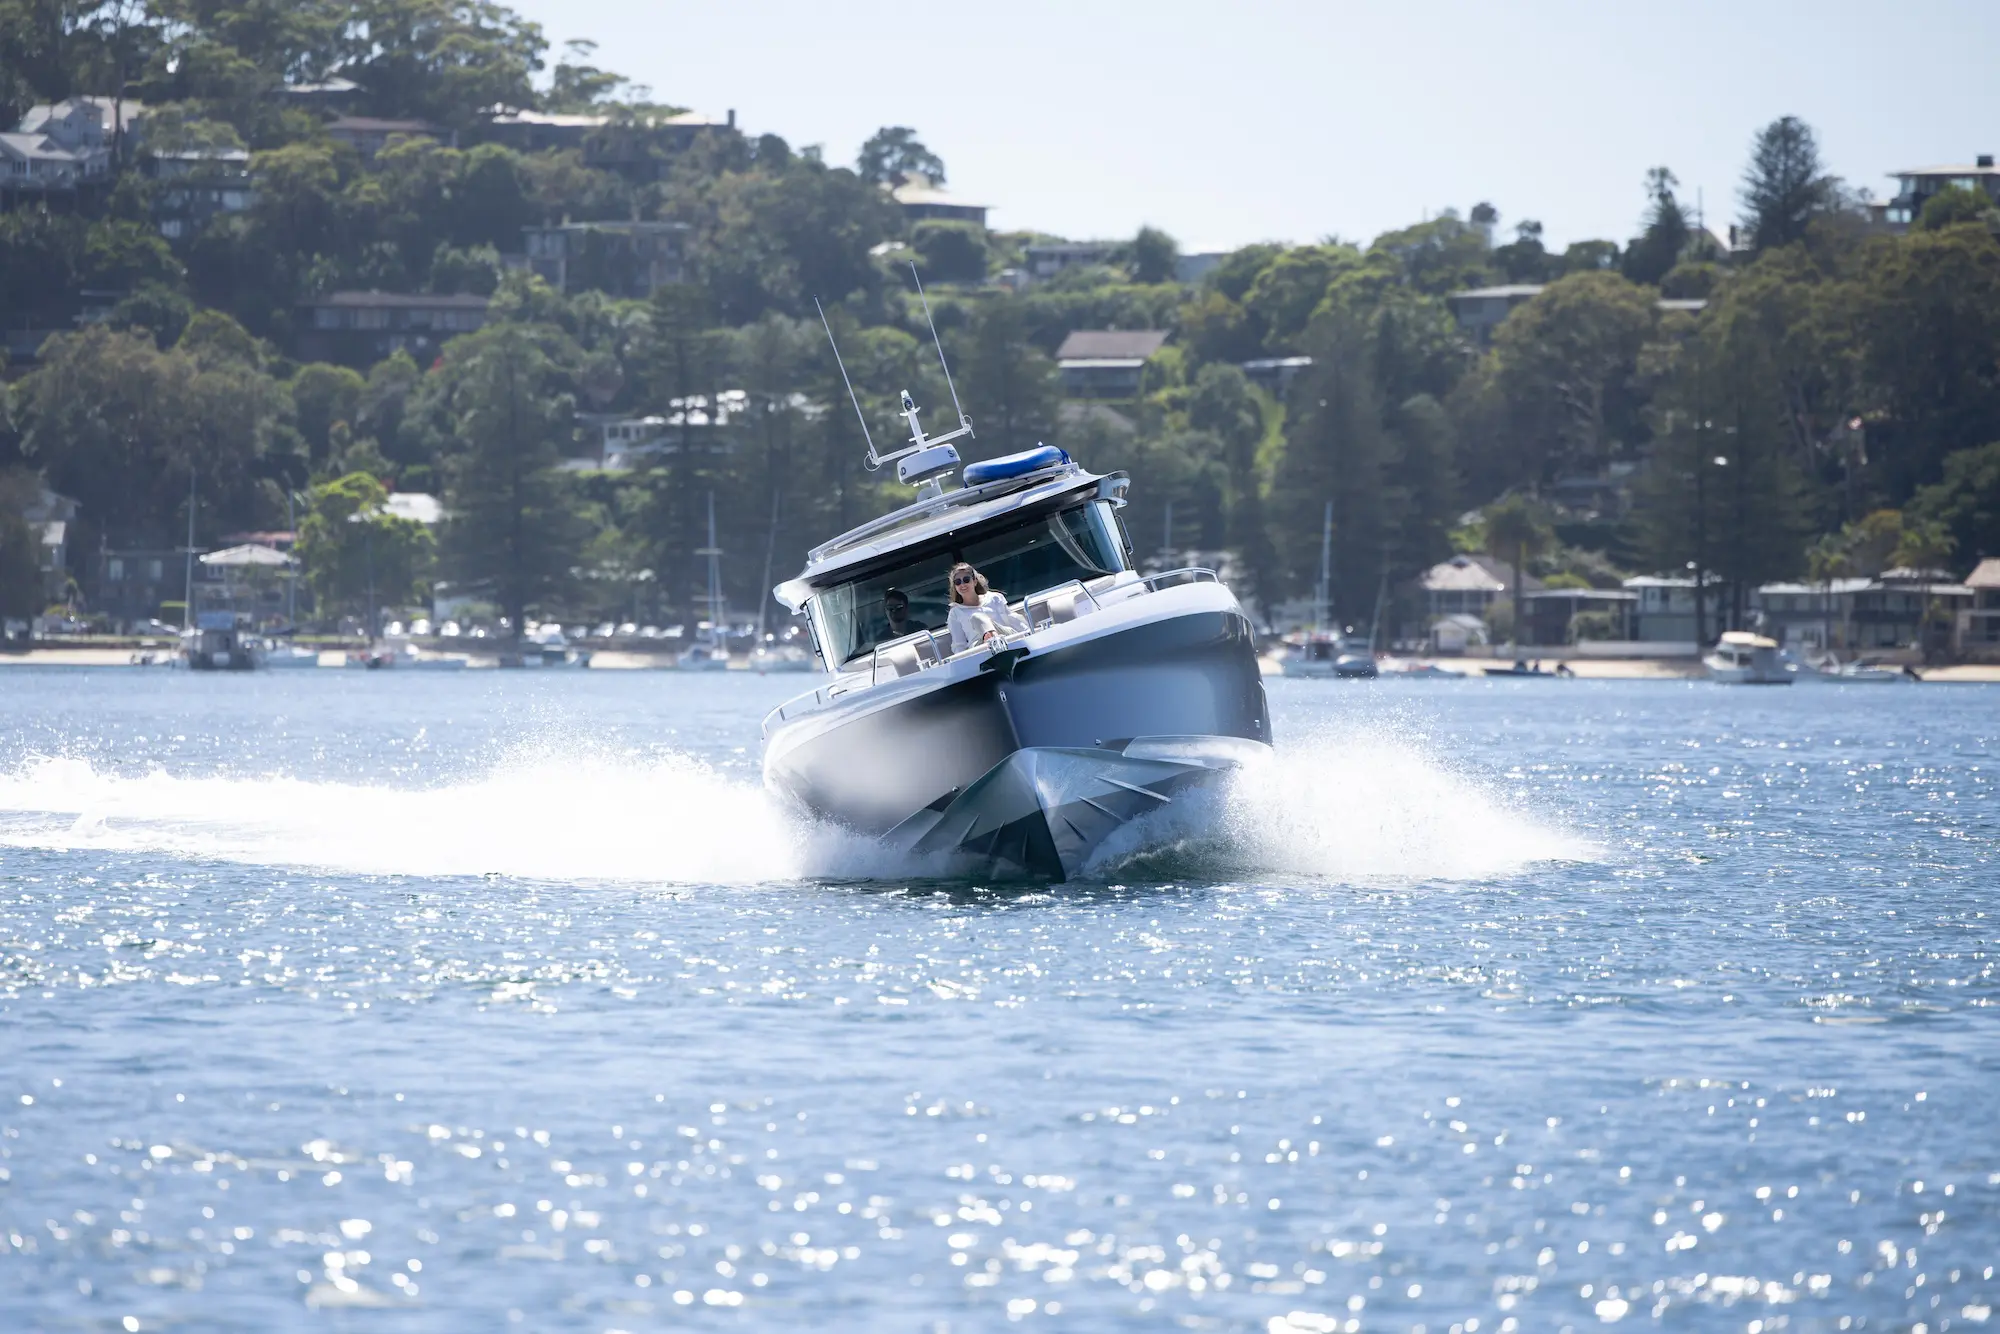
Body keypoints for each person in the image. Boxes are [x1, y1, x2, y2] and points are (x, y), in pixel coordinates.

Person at [947, 561, 1027, 652]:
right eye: (957, 582)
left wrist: (1030, 633)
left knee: (980, 618)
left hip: (1005, 637)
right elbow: (959, 644)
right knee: (977, 617)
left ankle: (996, 643)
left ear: (975, 581)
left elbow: (1013, 619)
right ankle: (996, 644)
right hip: (980, 648)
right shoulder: (955, 612)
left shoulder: (994, 598)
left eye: (966, 580)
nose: (962, 585)